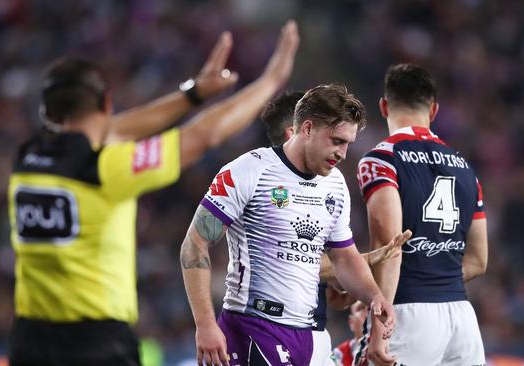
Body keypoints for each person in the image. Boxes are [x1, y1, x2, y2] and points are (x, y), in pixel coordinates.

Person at [7, 21, 300, 366]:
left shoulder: (26, 160)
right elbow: (202, 135)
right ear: (106, 103)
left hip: (29, 340)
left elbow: (113, 130)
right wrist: (269, 84)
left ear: (47, 112)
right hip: (95, 344)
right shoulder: (106, 169)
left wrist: (193, 94)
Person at [180, 83, 397, 366]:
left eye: (347, 144)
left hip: (304, 335)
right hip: (252, 327)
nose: (343, 153)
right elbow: (194, 244)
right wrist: (205, 324)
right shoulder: (249, 170)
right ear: (307, 129)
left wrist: (375, 297)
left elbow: (344, 257)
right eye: (336, 141)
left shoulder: (335, 184)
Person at [260, 91, 411, 366]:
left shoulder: (326, 188)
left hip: (314, 333)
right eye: (334, 139)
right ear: (297, 131)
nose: (340, 152)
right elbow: (288, 262)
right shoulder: (262, 186)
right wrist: (367, 260)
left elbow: (331, 290)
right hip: (268, 333)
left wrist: (355, 289)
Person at [353, 63, 488, 365]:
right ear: (434, 110)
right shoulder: (465, 167)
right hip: (463, 321)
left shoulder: (382, 158)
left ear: (384, 106)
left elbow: (390, 247)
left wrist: (378, 329)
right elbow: (479, 261)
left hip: (408, 313)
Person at [330, 301, 368, 366]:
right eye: (361, 308)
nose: (367, 314)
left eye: (371, 308)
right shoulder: (339, 355)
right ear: (351, 322)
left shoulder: (390, 351)